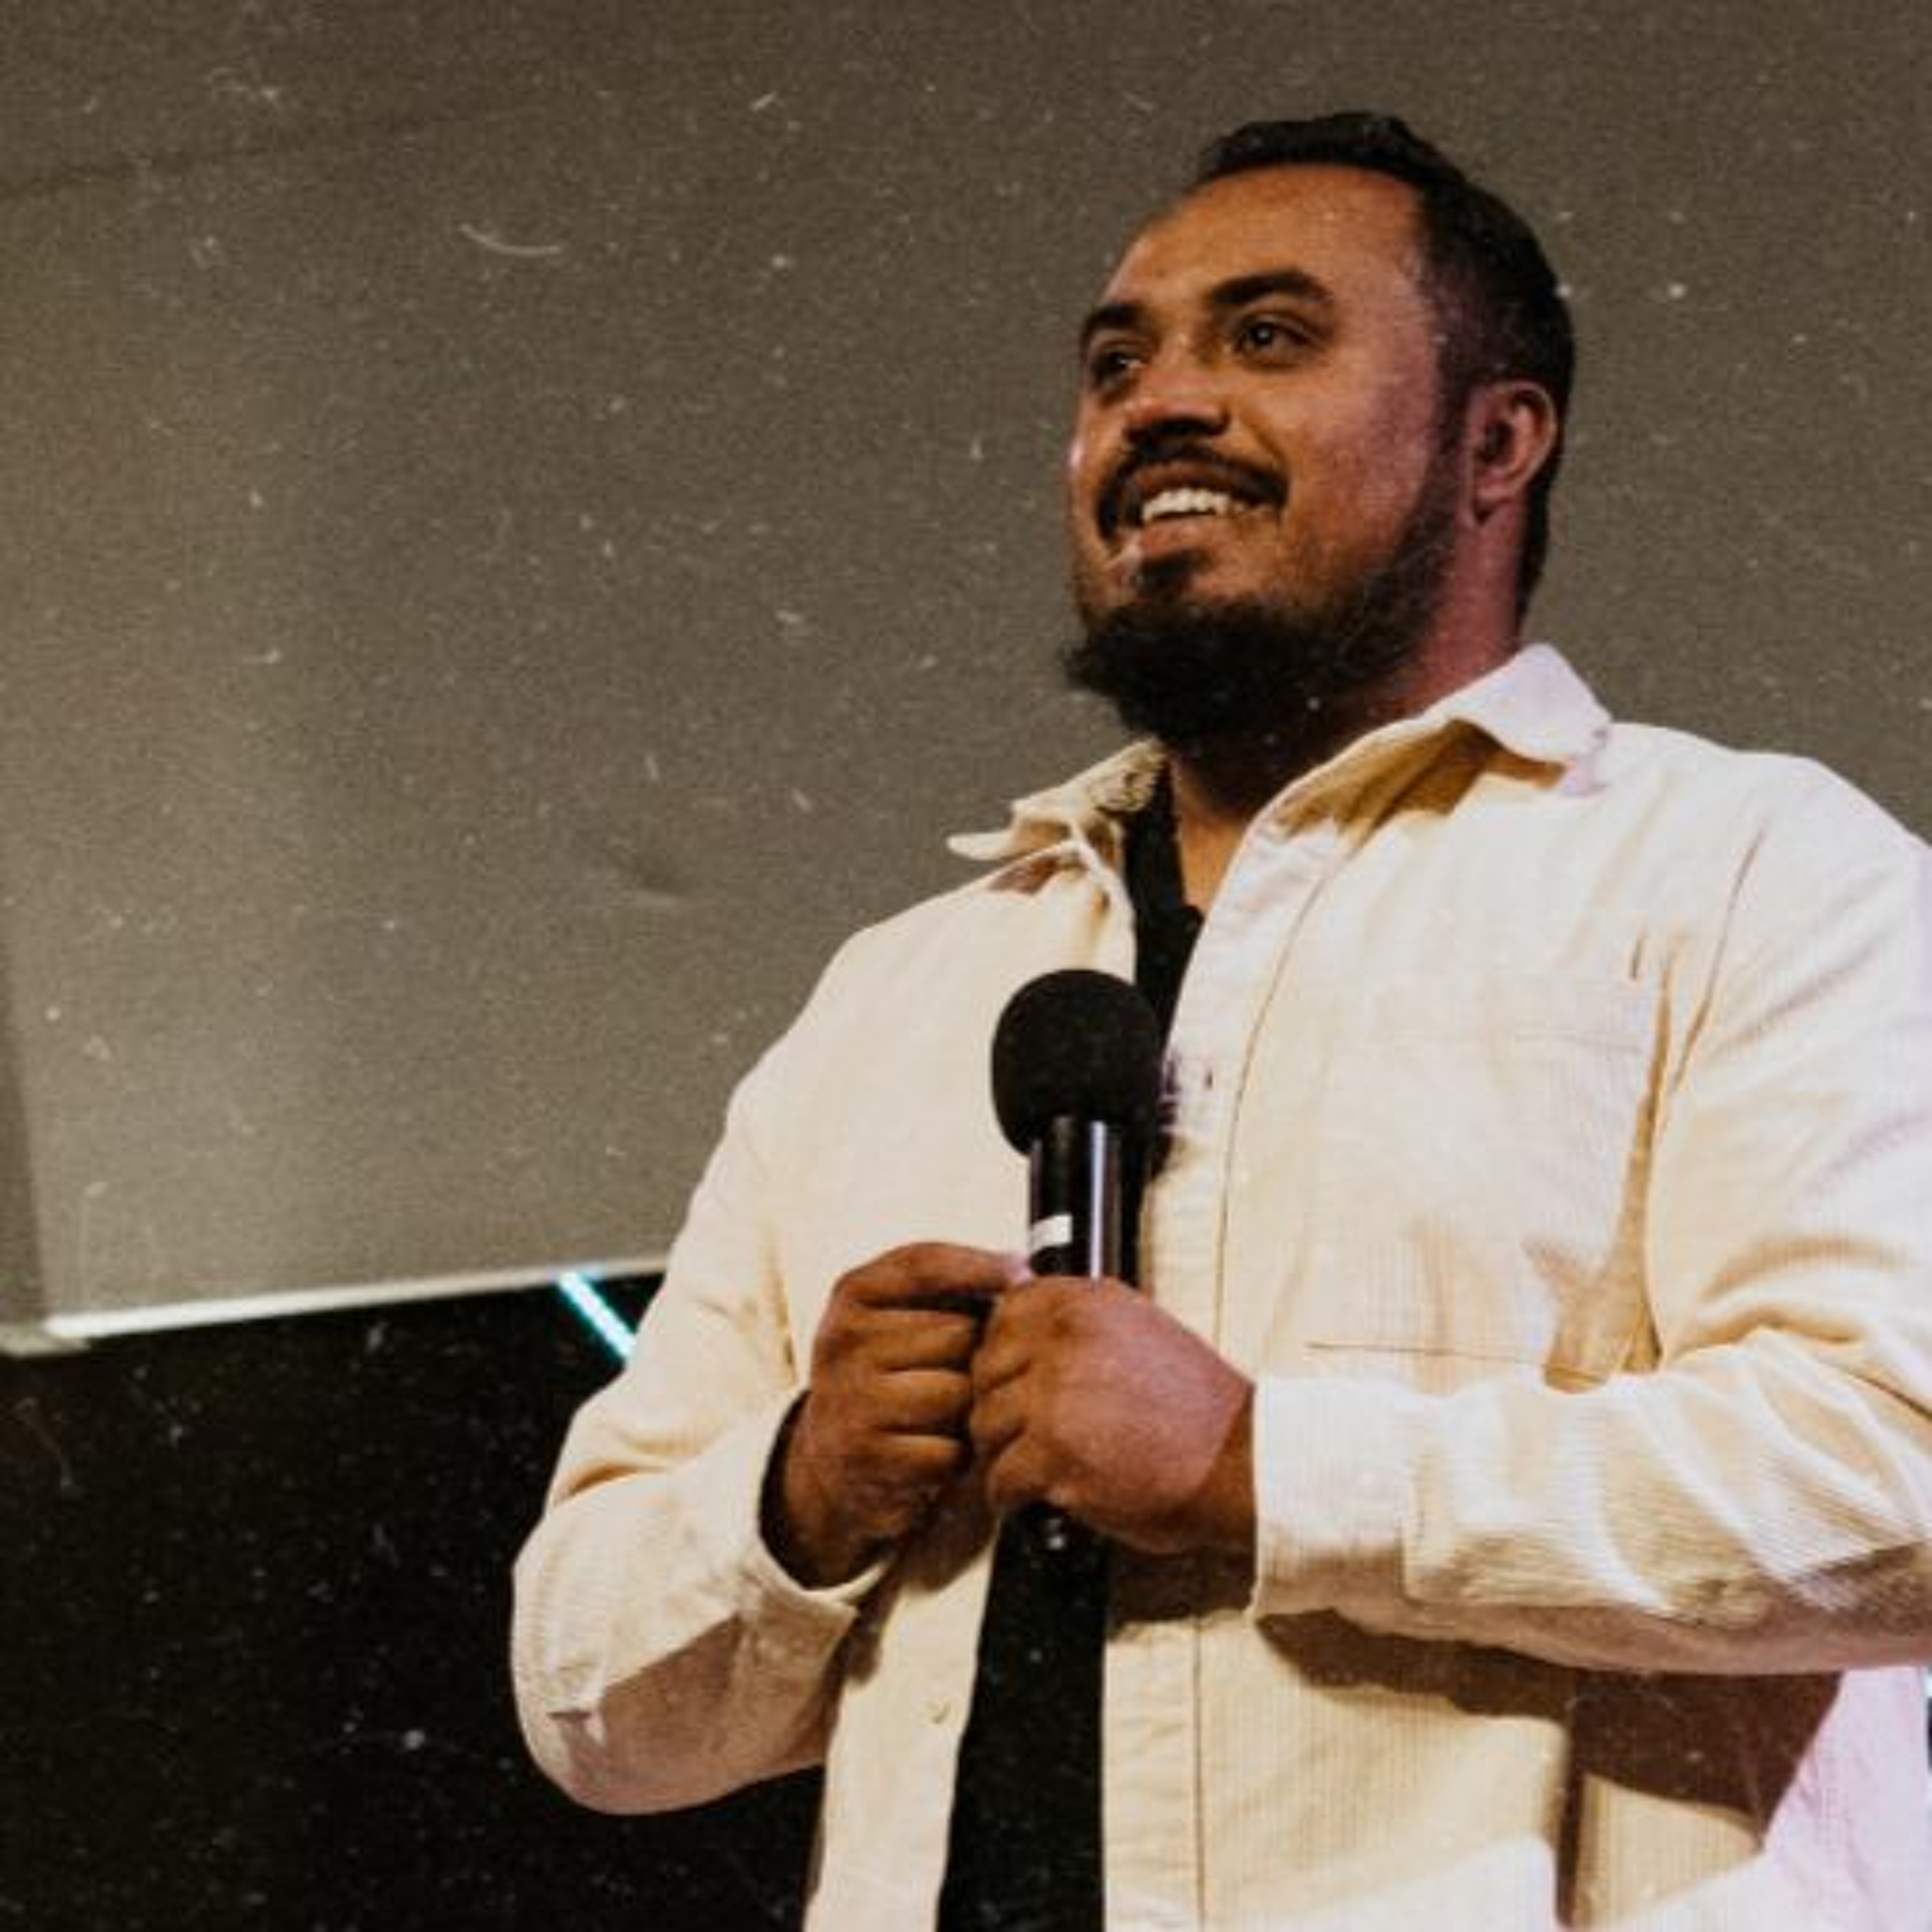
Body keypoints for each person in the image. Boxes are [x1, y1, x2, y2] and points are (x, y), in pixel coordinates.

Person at [513, 113, 1932, 1928]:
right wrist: (796, 1494)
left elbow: (1898, 1467)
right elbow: (589, 1702)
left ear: (1498, 441)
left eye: (1269, 337)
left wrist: (1266, 1467)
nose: (1162, 404)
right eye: (1119, 363)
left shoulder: (1747, 869)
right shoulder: (897, 990)